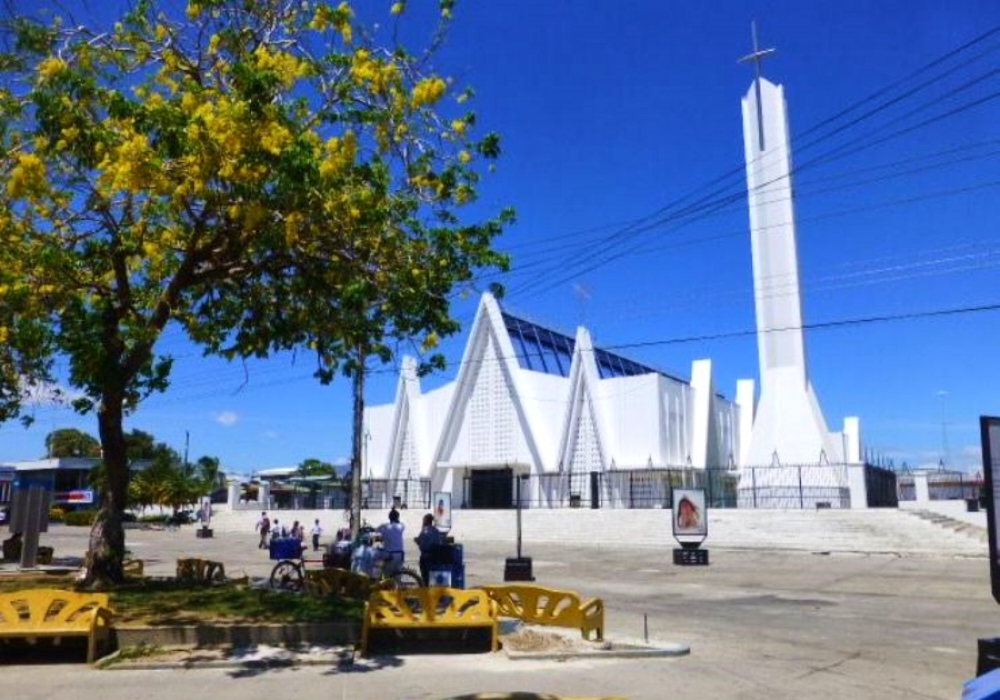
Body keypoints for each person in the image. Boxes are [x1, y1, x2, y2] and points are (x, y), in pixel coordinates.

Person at [414, 513, 442, 586]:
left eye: (423, 520)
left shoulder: (424, 530)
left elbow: (421, 543)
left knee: (425, 576)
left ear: (426, 521)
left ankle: (426, 590)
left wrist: (417, 541)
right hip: (435, 556)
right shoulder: (436, 530)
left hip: (426, 556)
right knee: (433, 577)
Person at [377, 508, 406, 576]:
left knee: (387, 575)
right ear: (397, 517)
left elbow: (376, 531)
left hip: (389, 555)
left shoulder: (384, 526)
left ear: (389, 517)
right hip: (400, 554)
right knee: (398, 576)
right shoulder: (401, 526)